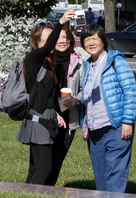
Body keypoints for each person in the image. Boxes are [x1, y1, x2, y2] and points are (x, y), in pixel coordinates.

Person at [18, 8, 76, 185]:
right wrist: (61, 22)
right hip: (38, 120)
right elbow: (49, 46)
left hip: (44, 117)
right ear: (37, 42)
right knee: (44, 169)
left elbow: (45, 96)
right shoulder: (34, 59)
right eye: (50, 37)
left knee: (36, 168)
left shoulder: (47, 64)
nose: (56, 40)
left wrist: (56, 112)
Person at [80, 24, 136, 192]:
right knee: (101, 176)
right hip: (95, 129)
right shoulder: (88, 65)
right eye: (87, 39)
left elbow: (130, 91)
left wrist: (127, 121)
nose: (91, 43)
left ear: (103, 41)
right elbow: (89, 95)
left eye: (94, 38)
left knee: (115, 173)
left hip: (116, 126)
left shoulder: (115, 60)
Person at [46, 22, 89, 185]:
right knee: (43, 162)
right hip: (47, 116)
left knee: (57, 161)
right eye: (58, 37)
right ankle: (36, 190)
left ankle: (48, 191)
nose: (62, 40)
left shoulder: (78, 62)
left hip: (68, 119)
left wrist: (76, 99)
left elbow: (86, 88)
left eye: (65, 37)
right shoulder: (45, 60)